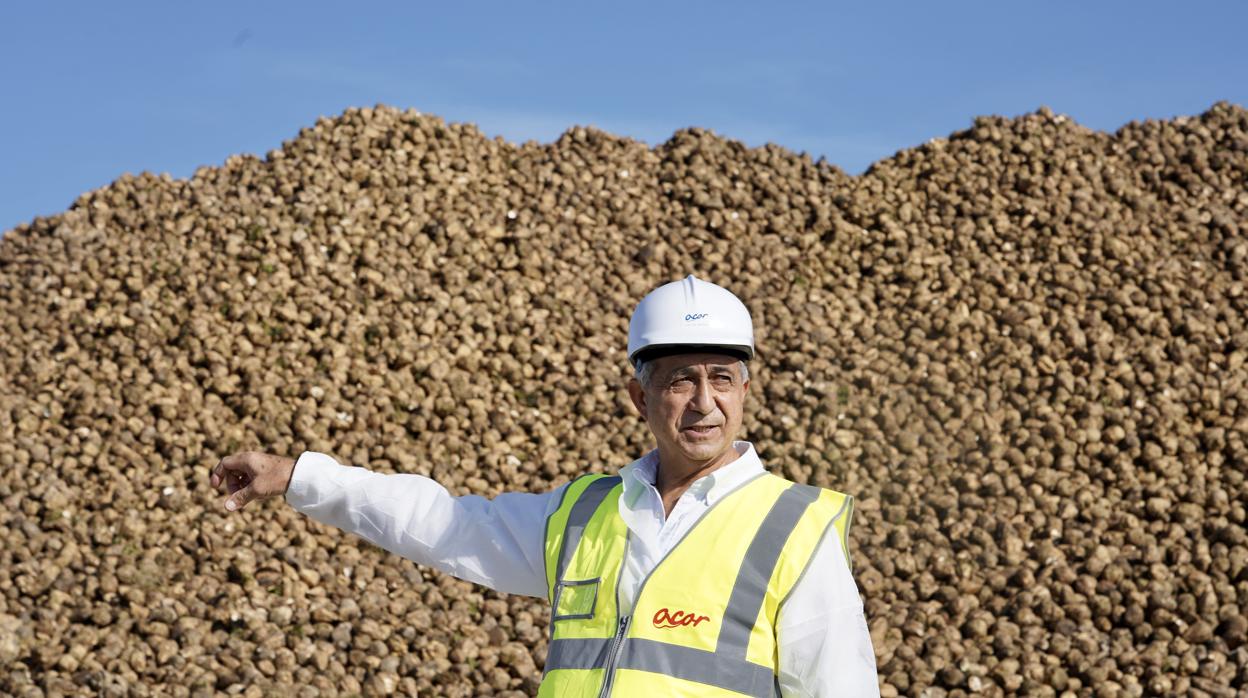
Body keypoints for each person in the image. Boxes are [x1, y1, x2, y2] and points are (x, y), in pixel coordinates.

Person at [211, 274, 880, 696]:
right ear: (637, 396)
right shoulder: (585, 517)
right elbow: (444, 525)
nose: (705, 402)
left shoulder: (794, 526)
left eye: (722, 379)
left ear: (744, 390)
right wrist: (301, 476)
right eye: (681, 379)